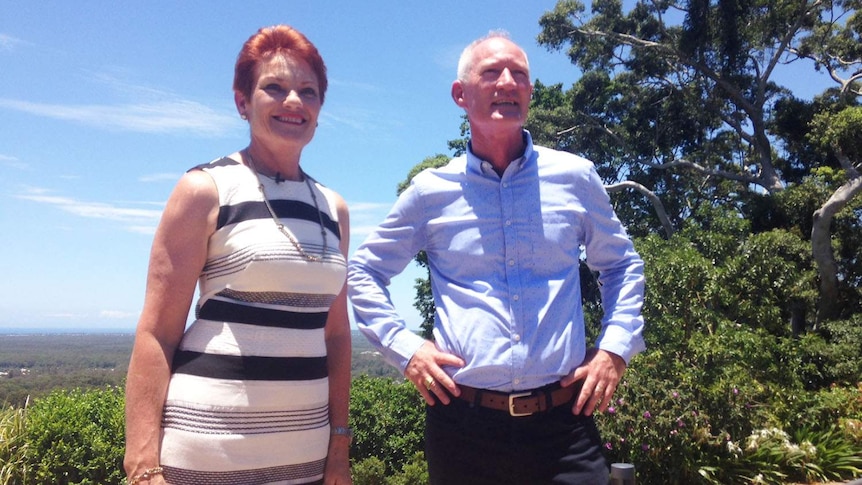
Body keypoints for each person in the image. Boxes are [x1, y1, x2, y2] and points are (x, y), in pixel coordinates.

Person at [347, 31, 645, 485]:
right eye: (491, 73)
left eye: (519, 75)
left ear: (529, 92)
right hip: (463, 428)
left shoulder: (575, 177)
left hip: (563, 427)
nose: (508, 82)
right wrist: (406, 350)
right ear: (460, 95)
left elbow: (622, 264)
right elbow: (364, 271)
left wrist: (614, 351)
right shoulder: (431, 192)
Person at [123, 25, 352, 485]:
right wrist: (143, 466)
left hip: (304, 458)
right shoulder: (205, 190)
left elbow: (336, 337)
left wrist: (339, 445)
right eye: (275, 87)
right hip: (207, 455)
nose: (294, 101)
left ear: (320, 109)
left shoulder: (334, 209)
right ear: (242, 102)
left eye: (308, 91)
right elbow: (157, 333)